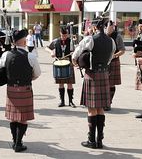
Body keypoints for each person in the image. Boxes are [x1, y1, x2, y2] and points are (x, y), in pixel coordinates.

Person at [72, 17, 115, 148]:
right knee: (100, 108)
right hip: (103, 74)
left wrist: (77, 63)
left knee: (91, 109)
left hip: (91, 74)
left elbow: (75, 55)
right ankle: (100, 140)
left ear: (95, 27)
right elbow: (110, 58)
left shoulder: (89, 39)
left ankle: (91, 141)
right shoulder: (111, 41)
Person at [0, 29, 41, 152]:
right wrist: (28, 78)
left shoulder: (6, 55)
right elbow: (37, 74)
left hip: (11, 89)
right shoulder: (30, 56)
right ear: (23, 41)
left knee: (13, 117)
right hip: (25, 88)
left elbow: (0, 70)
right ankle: (18, 142)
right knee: (23, 118)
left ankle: (14, 140)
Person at [46, 27, 76, 108]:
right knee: (61, 83)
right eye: (63, 35)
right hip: (59, 63)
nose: (64, 37)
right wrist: (51, 52)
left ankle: (71, 101)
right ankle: (62, 101)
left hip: (69, 63)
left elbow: (76, 51)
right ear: (60, 34)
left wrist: (74, 53)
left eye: (65, 35)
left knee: (70, 84)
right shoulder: (56, 41)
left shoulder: (71, 42)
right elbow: (47, 47)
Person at [104, 21, 125, 111]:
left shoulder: (117, 36)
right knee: (103, 83)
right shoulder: (101, 35)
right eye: (110, 26)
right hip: (103, 62)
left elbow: (122, 50)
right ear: (105, 27)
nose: (112, 28)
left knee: (111, 83)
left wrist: (114, 55)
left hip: (113, 61)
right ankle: (103, 102)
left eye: (113, 26)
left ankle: (109, 102)